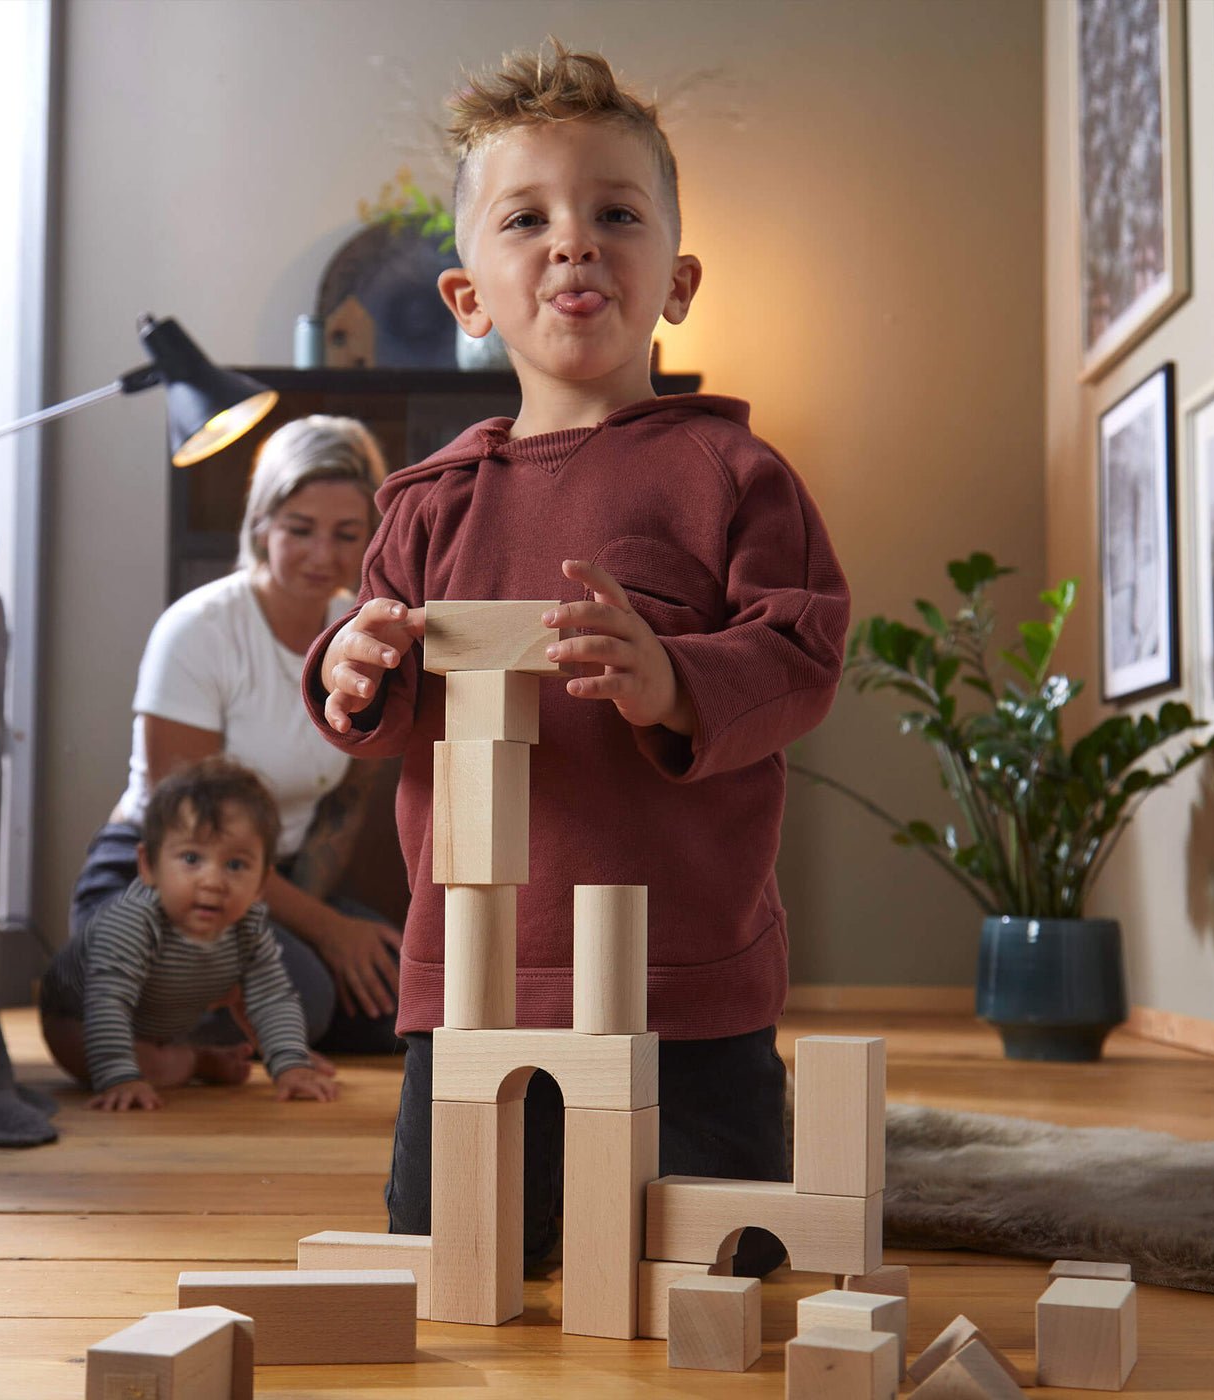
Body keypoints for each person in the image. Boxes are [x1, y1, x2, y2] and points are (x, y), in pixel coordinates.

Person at [303, 41, 851, 1272]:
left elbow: (801, 647)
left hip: (685, 981)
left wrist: (674, 681)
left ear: (677, 277)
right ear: (467, 297)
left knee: (717, 1268)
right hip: (478, 981)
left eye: (614, 212)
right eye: (528, 218)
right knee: (455, 1253)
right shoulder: (425, 504)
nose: (573, 241)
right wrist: (350, 670)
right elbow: (373, 692)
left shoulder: (734, 474)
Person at [69, 414, 403, 1054]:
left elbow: (345, 801)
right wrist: (326, 932)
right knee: (303, 997)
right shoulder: (198, 628)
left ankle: (211, 1019)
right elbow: (180, 823)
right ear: (262, 524)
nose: (322, 556)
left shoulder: (356, 631)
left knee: (405, 1002)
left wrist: (318, 920)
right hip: (170, 873)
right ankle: (118, 993)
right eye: (299, 530)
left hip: (277, 883)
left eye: (346, 534)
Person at [40, 756, 338, 1110]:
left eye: (236, 865)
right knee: (151, 1066)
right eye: (192, 859)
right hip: (78, 1017)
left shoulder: (248, 928)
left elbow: (272, 998)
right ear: (149, 866)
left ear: (262, 884)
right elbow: (107, 1001)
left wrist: (291, 1065)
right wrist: (121, 1078)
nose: (212, 882)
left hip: (162, 1017)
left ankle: (194, 1057)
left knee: (261, 993)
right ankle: (196, 1061)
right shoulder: (134, 921)